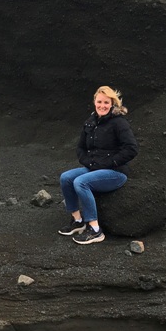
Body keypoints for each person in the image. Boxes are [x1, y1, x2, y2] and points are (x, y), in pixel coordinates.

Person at [58, 85, 138, 244]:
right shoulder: (91, 122)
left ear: (112, 104)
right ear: (95, 102)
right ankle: (78, 221)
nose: (102, 105)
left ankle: (95, 230)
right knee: (66, 178)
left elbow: (131, 148)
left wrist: (109, 162)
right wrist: (88, 162)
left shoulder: (119, 123)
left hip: (116, 172)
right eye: (99, 101)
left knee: (81, 182)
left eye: (106, 102)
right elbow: (80, 147)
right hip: (94, 168)